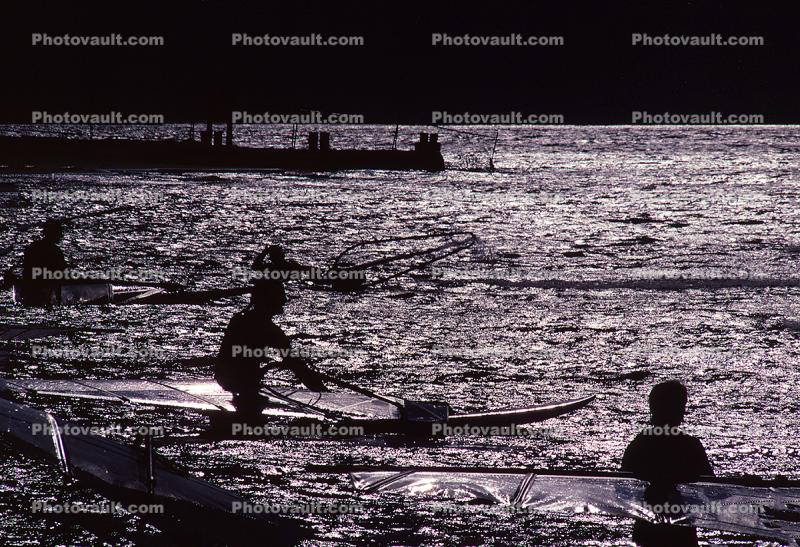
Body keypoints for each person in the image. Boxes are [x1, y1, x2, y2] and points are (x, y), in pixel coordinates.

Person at [215, 279, 327, 415]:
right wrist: (318, 387)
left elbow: (292, 361)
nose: (285, 300)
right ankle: (247, 409)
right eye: (281, 296)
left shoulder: (238, 319)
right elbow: (293, 362)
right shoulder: (270, 330)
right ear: (270, 299)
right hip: (239, 379)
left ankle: (245, 402)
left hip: (224, 376)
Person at [622, 380, 713, 546]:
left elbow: (622, 489)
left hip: (647, 530)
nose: (683, 411)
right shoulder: (690, 445)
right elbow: (711, 488)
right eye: (680, 405)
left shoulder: (639, 444)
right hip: (680, 532)